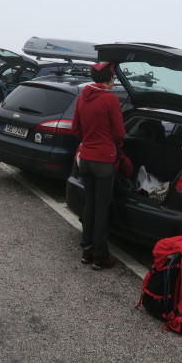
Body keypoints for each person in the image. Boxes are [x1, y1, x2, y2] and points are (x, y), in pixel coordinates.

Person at [71, 62, 125, 270]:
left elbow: (76, 130)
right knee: (102, 208)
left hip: (85, 158)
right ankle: (100, 256)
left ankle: (88, 249)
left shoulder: (82, 97)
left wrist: (90, 139)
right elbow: (119, 133)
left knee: (90, 204)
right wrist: (115, 146)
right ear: (110, 78)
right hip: (104, 160)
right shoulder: (110, 99)